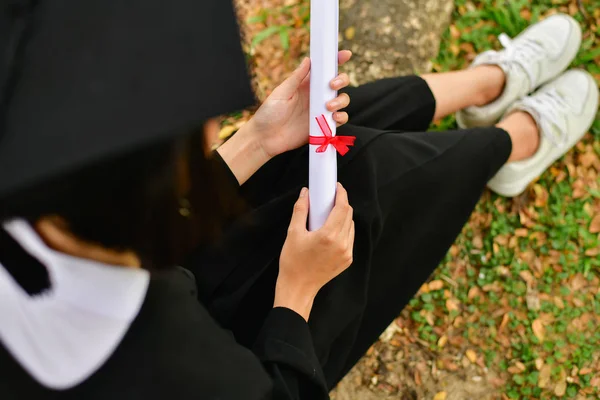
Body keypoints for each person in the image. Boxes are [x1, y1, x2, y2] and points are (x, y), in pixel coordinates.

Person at [0, 0, 597, 397]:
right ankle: (511, 144)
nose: (217, 126)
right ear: (161, 185)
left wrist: (256, 139)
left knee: (315, 134)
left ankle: (485, 85)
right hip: (253, 337)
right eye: (207, 126)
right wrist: (298, 292)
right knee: (377, 194)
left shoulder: (46, 185)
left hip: (164, 263)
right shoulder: (179, 373)